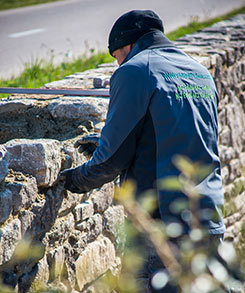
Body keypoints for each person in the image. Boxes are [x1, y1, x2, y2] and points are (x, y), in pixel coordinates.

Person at [60, 10, 225, 292]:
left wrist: (73, 179)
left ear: (126, 45)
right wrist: (104, 141)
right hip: (208, 220)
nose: (118, 63)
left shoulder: (136, 70)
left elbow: (110, 162)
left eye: (115, 56)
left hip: (162, 229)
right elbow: (174, 132)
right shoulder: (200, 73)